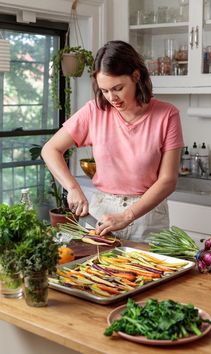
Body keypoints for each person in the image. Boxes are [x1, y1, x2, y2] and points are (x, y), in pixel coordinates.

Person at [41, 40, 184, 242]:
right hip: (101, 214)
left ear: (136, 76)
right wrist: (72, 188)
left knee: (147, 273)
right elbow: (50, 149)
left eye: (117, 88)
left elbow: (168, 181)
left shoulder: (167, 115)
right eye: (104, 90)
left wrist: (128, 216)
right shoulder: (94, 111)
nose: (111, 97)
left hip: (147, 217)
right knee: (96, 272)